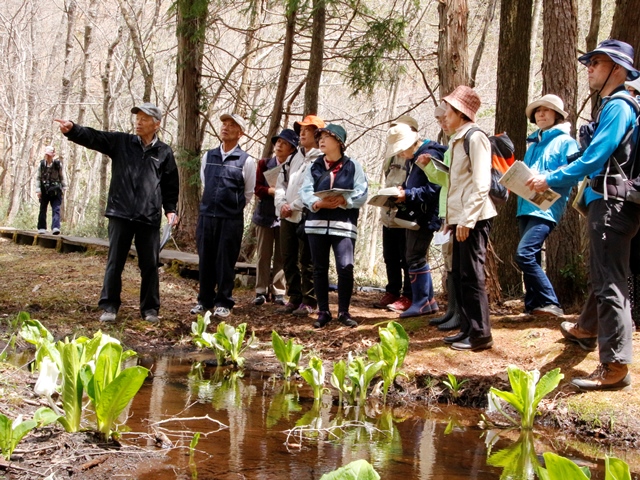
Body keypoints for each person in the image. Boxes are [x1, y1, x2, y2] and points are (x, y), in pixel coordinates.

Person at [527, 40, 640, 390]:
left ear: (617, 71)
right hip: (617, 203)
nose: (589, 67)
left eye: (597, 62)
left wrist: (551, 177)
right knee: (606, 270)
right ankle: (586, 328)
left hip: (611, 204)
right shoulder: (617, 104)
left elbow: (595, 157)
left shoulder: (619, 105)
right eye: (589, 62)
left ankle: (615, 365)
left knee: (610, 283)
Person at [55, 103, 179, 323]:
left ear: (157, 124)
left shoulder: (164, 152)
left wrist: (170, 210)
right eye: (137, 118)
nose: (138, 122)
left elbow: (170, 185)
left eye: (144, 118)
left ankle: (150, 309)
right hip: (120, 213)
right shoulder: (123, 142)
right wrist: (73, 130)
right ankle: (109, 306)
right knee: (115, 262)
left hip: (148, 217)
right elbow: (96, 138)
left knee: (150, 265)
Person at [438, 86, 496, 351]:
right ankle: (467, 329)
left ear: (461, 113)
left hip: (475, 218)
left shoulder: (476, 138)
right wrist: (452, 219)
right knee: (462, 275)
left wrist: (467, 220)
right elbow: (457, 185)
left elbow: (481, 184)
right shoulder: (458, 139)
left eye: (448, 112)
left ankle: (481, 335)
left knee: (472, 275)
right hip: (462, 219)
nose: (444, 117)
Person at [516, 95, 578, 317]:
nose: (541, 114)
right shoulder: (533, 142)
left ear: (557, 115)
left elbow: (572, 175)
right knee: (531, 256)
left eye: (547, 110)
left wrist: (547, 178)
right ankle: (533, 306)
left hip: (547, 207)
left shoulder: (566, 142)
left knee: (523, 254)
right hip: (525, 205)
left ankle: (551, 303)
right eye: (538, 111)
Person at [300, 124, 368, 328]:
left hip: (344, 225)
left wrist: (344, 201)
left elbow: (362, 192)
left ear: (339, 142)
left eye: (326, 137)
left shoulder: (353, 165)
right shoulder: (314, 166)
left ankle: (344, 312)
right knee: (319, 269)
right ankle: (323, 311)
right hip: (316, 224)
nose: (320, 140)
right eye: (319, 137)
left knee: (345, 268)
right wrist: (318, 202)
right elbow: (305, 191)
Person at [190, 114, 256, 319]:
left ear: (240, 133)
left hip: (231, 219)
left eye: (232, 126)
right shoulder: (208, 156)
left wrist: (232, 208)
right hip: (207, 216)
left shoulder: (246, 161)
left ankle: (223, 302)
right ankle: (204, 300)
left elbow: (248, 192)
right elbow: (204, 182)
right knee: (206, 259)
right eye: (224, 125)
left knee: (225, 261)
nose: (226, 128)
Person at [384, 122, 444, 318]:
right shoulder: (412, 158)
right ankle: (429, 301)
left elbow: (435, 188)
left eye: (401, 150)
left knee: (414, 257)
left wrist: (407, 194)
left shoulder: (429, 154)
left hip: (425, 214)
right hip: (415, 213)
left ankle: (420, 302)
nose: (400, 155)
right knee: (413, 256)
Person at [274, 115, 324, 317]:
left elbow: (314, 189)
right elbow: (281, 181)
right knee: (288, 258)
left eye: (308, 130)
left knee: (307, 259)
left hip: (307, 215)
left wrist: (293, 205)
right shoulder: (294, 156)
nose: (302, 133)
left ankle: (309, 300)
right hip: (286, 214)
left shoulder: (321, 158)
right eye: (300, 130)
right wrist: (281, 204)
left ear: (317, 134)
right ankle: (293, 297)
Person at [417, 103, 461, 331]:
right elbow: (444, 179)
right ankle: (451, 311)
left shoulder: (464, 142)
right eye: (439, 121)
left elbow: (458, 180)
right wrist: (427, 168)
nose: (443, 123)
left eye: (445, 118)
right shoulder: (451, 144)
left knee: (457, 265)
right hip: (447, 211)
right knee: (449, 264)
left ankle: (458, 313)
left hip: (457, 212)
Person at [373, 115, 418, 312]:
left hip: (407, 215)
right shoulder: (390, 156)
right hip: (388, 213)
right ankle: (392, 290)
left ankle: (409, 295)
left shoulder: (416, 156)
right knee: (389, 256)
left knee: (406, 256)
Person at [252, 129, 298, 306]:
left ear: (292, 149)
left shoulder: (295, 167)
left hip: (286, 215)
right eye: (278, 142)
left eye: (284, 143)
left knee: (282, 255)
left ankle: (279, 290)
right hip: (265, 215)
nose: (279, 145)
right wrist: (272, 191)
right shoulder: (264, 164)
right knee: (263, 254)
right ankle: (260, 290)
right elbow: (257, 188)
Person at [36, 145, 66, 235]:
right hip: (44, 190)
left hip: (56, 190)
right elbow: (38, 178)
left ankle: (55, 227)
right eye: (46, 155)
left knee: (56, 209)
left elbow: (62, 176)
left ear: (53, 154)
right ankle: (41, 228)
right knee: (42, 209)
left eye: (49, 155)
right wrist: (38, 190)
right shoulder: (41, 165)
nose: (48, 156)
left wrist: (64, 187)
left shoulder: (58, 164)